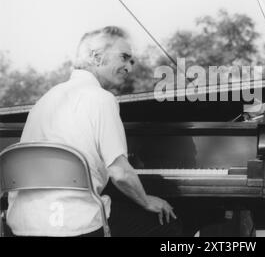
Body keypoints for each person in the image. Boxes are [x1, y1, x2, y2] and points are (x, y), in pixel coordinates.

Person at [6, 26, 181, 237]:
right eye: (124, 57)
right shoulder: (101, 99)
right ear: (96, 57)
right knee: (165, 223)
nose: (129, 67)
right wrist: (146, 201)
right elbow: (121, 174)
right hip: (75, 226)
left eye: (131, 61)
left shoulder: (45, 99)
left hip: (23, 224)